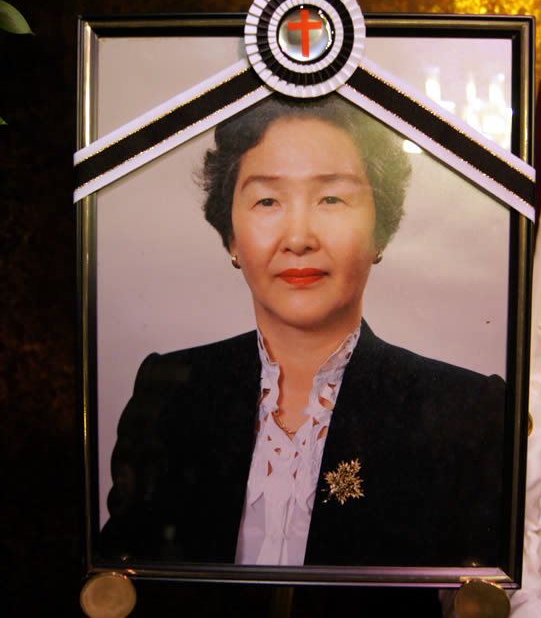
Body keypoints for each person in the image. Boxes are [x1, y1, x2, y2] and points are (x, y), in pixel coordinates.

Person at [100, 95, 505, 573]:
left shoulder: (465, 409)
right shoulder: (169, 388)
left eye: (331, 199)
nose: (298, 238)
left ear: (381, 229)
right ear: (231, 236)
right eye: (267, 200)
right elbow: (117, 582)